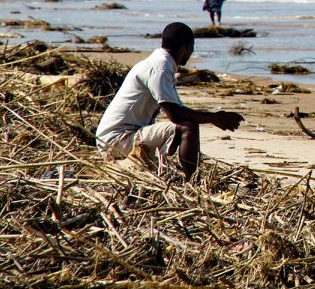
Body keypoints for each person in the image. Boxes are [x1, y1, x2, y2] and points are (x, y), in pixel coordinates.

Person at [94, 22, 243, 178]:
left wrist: (215, 118)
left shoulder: (160, 64)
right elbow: (176, 114)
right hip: (116, 140)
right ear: (188, 46)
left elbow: (179, 110)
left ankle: (178, 172)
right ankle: (192, 181)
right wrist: (216, 117)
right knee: (187, 127)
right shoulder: (159, 68)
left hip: (120, 136)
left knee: (184, 126)